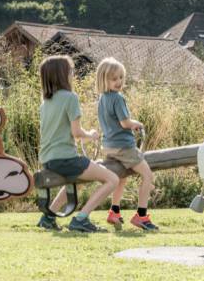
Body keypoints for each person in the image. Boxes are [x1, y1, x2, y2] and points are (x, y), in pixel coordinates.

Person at [36, 55, 119, 232]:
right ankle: (81, 219)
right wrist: (91, 134)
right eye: (71, 71)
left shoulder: (45, 104)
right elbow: (76, 133)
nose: (72, 74)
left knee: (80, 178)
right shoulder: (70, 97)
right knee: (112, 179)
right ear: (62, 74)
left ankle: (49, 217)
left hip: (49, 160)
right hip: (66, 159)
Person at [96, 57, 158, 231]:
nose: (118, 82)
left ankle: (114, 211)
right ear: (104, 79)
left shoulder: (102, 99)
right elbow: (124, 123)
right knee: (147, 175)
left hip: (109, 147)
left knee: (121, 178)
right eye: (114, 78)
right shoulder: (117, 98)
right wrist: (137, 124)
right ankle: (142, 215)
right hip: (124, 146)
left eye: (121, 77)